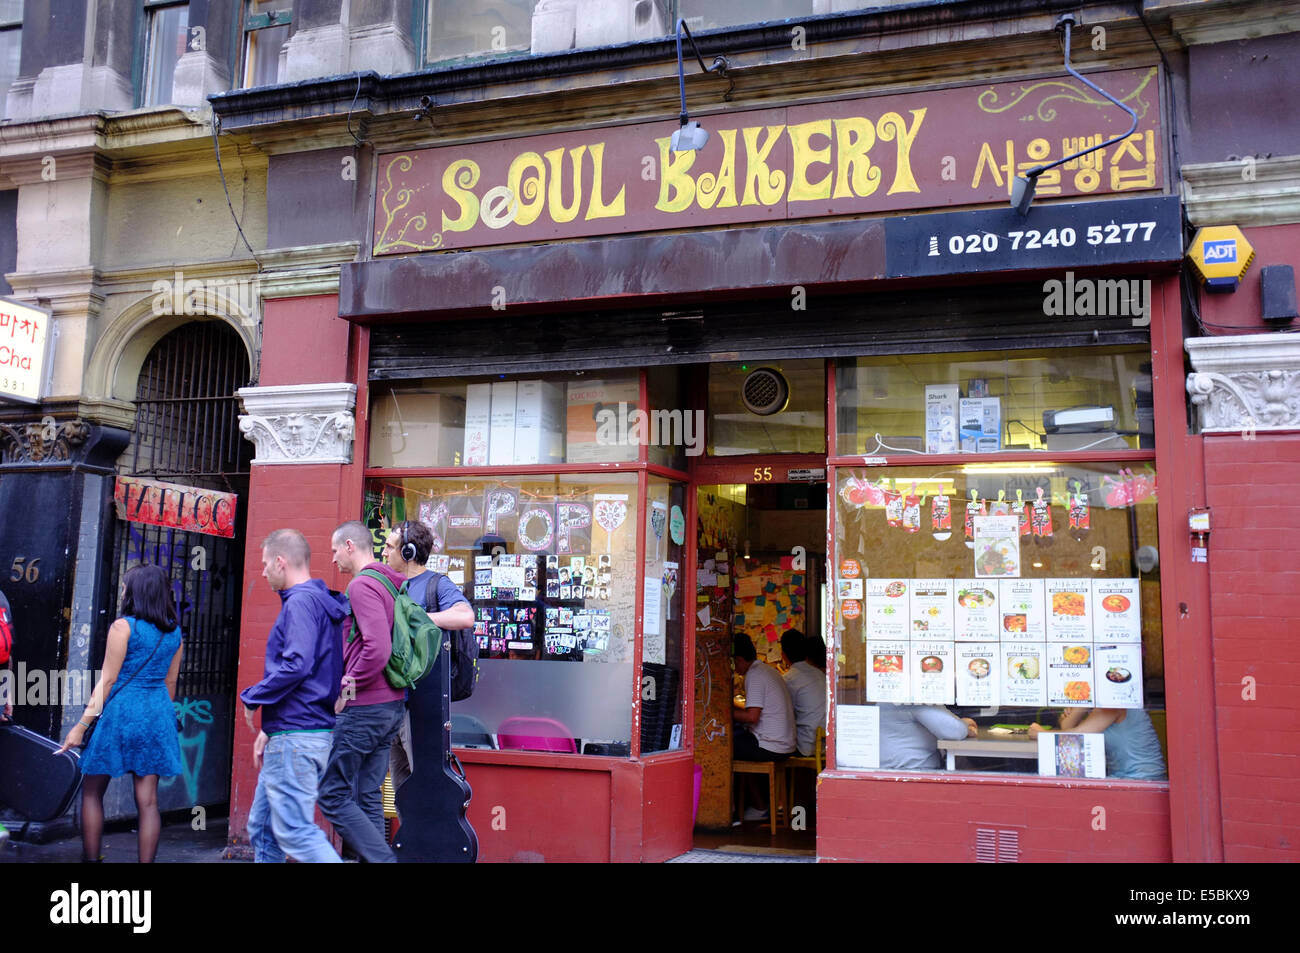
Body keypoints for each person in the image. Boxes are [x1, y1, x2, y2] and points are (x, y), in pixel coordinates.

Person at [57, 565, 184, 863]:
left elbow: (109, 680)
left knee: (91, 790)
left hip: (122, 712)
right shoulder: (174, 632)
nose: (124, 591)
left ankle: (91, 859)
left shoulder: (123, 627)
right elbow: (170, 683)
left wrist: (80, 726)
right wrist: (161, 717)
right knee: (148, 801)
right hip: (157, 712)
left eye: (126, 586)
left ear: (137, 591)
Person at [240, 529, 349, 863]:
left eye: (264, 564)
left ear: (280, 561)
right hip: (294, 732)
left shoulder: (301, 603)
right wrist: (269, 729)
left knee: (295, 832)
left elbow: (298, 665)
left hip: (297, 736)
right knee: (262, 827)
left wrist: (253, 697)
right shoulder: (315, 601)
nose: (262, 572)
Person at [318, 520, 408, 863]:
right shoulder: (390, 582)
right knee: (368, 795)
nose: (333, 559)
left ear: (350, 547)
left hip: (366, 708)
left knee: (332, 794)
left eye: (335, 550)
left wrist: (347, 688)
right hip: (391, 705)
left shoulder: (361, 586)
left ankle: (383, 861)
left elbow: (378, 648)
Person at [380, 520, 473, 793]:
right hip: (391, 703)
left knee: (424, 787)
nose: (384, 553)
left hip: (421, 706)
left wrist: (418, 619)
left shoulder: (436, 584)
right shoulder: (389, 584)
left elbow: (465, 616)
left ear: (408, 552)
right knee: (400, 790)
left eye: (389, 547)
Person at [732, 633, 796, 821]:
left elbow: (751, 716)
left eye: (734, 663)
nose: (735, 669)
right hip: (782, 743)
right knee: (738, 742)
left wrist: (725, 713)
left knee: (726, 747)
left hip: (772, 745)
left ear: (739, 659)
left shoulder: (754, 675)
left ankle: (748, 808)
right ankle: (756, 805)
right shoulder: (765, 670)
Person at [1028, 708, 1167, 780]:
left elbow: (1078, 735)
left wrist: (1041, 734)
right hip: (1123, 777)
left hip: (1141, 780)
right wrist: (1082, 704)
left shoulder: (1114, 704)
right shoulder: (1098, 707)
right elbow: (1067, 727)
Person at [877, 704, 977, 771]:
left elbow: (948, 721)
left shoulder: (885, 700)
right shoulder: (916, 702)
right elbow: (954, 731)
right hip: (915, 770)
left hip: (883, 769)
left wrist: (962, 723)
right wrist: (966, 725)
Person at [779, 630, 827, 758]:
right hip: (828, 744)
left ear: (783, 655)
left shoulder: (789, 679)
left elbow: (784, 713)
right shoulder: (819, 674)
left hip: (806, 746)